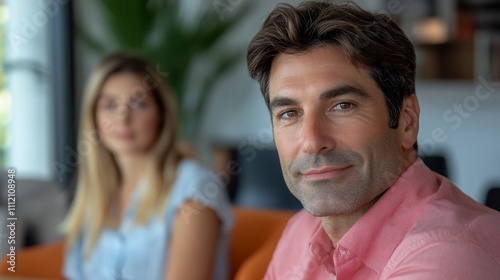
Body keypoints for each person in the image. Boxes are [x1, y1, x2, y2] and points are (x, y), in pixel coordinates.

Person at [246, 1, 500, 279]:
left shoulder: (449, 256)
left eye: (342, 106)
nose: (311, 141)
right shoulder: (301, 231)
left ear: (407, 122)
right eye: (289, 113)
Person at [62, 53, 233, 280]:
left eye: (138, 104)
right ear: (93, 116)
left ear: (161, 116)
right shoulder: (96, 193)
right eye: (110, 105)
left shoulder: (193, 187)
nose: (122, 118)